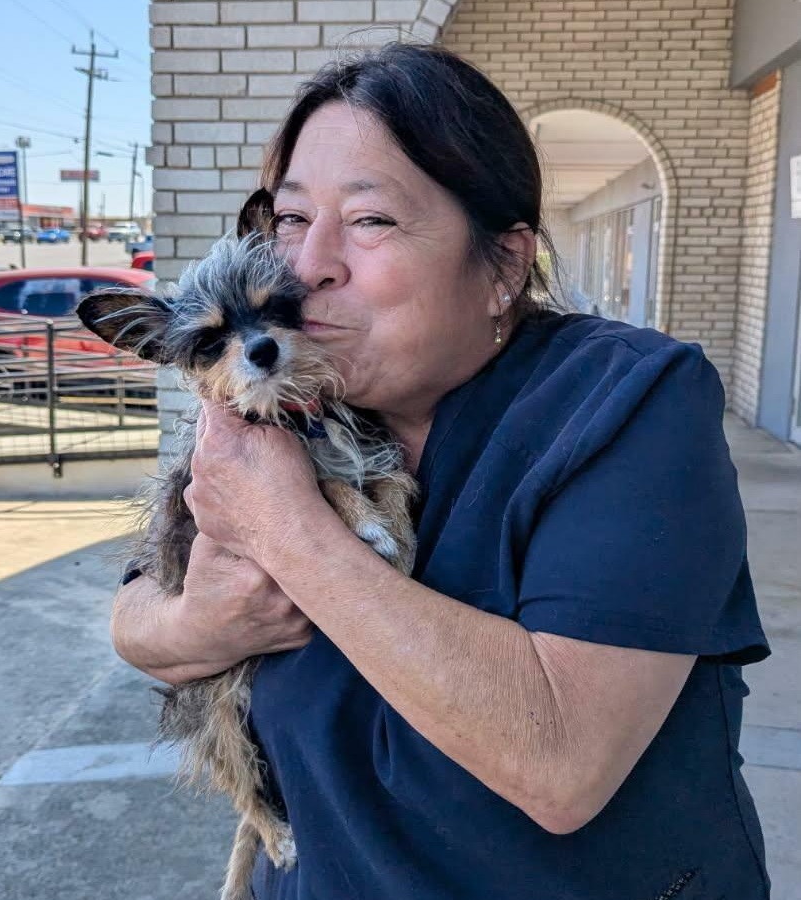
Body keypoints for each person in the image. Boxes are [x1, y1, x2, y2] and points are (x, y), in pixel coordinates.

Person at [112, 43, 771, 900]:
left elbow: (560, 761)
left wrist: (290, 530)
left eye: (371, 219)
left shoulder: (631, 403)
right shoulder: (297, 402)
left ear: (503, 265)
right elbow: (136, 615)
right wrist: (208, 623)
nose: (310, 265)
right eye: (290, 218)